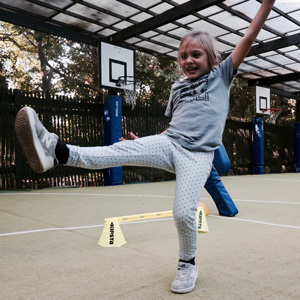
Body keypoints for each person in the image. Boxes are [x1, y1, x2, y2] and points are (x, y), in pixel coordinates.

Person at [15, 0, 275, 294]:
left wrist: (266, 4)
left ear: (212, 58)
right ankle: (56, 151)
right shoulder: (177, 88)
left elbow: (249, 36)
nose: (188, 60)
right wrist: (144, 144)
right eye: (183, 55)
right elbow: (174, 126)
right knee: (115, 152)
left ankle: (187, 263)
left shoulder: (222, 75)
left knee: (182, 212)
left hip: (198, 155)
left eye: (196, 55)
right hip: (169, 143)